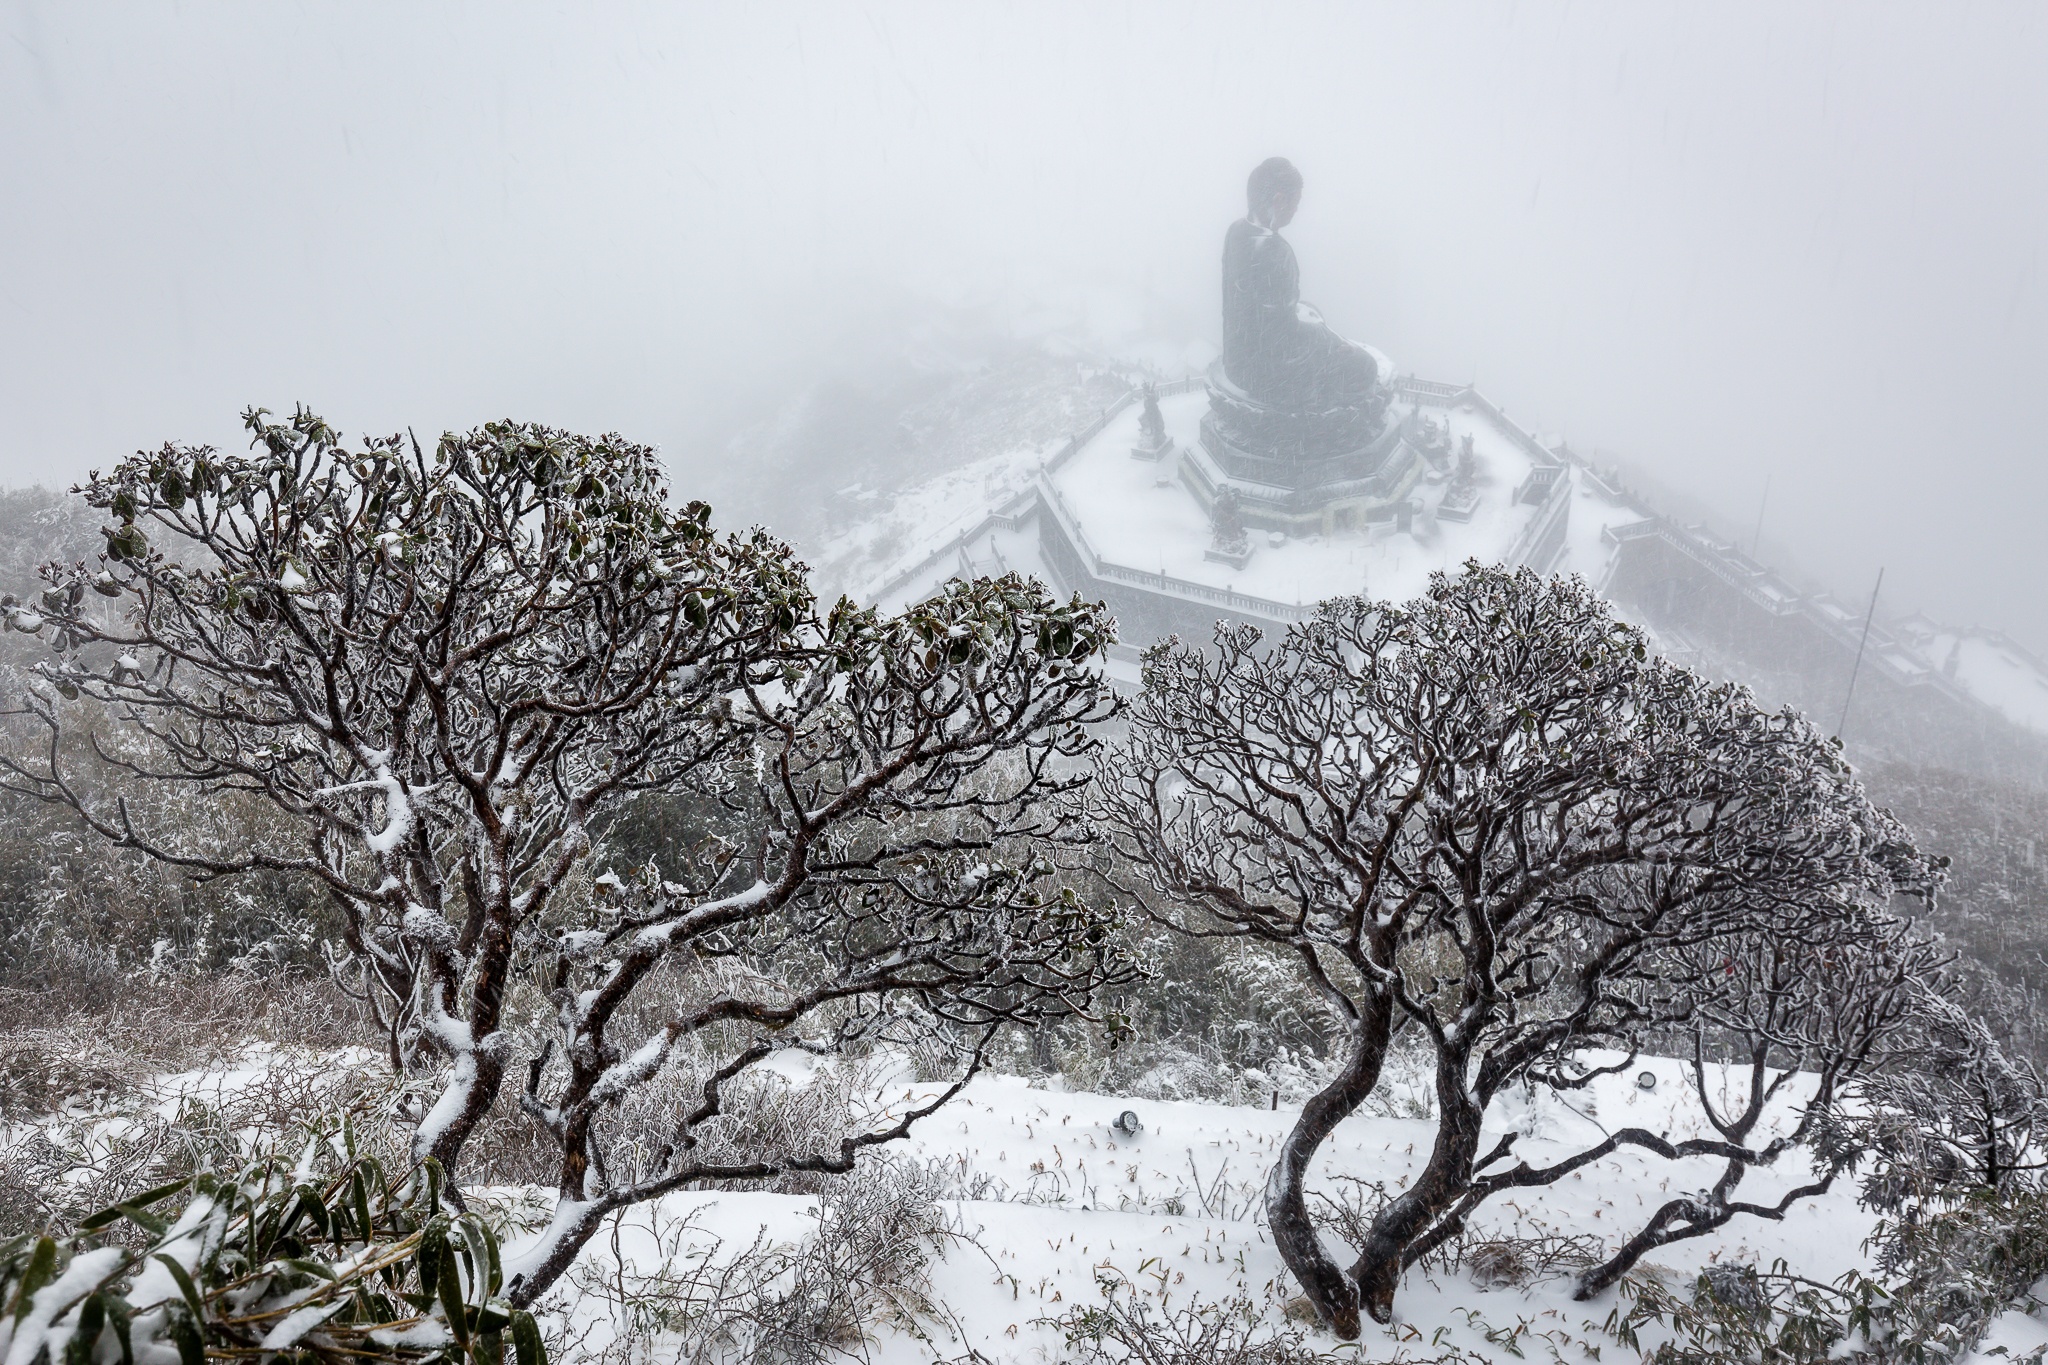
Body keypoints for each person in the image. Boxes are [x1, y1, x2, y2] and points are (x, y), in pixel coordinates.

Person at [1221, 157, 1381, 411]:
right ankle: (1320, 419)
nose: (1296, 211)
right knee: (1365, 366)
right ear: (1279, 201)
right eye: (1294, 204)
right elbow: (1280, 339)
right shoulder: (1275, 252)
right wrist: (1325, 338)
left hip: (1237, 357)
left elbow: (1257, 312)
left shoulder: (1236, 231)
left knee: (1309, 309)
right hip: (1265, 373)